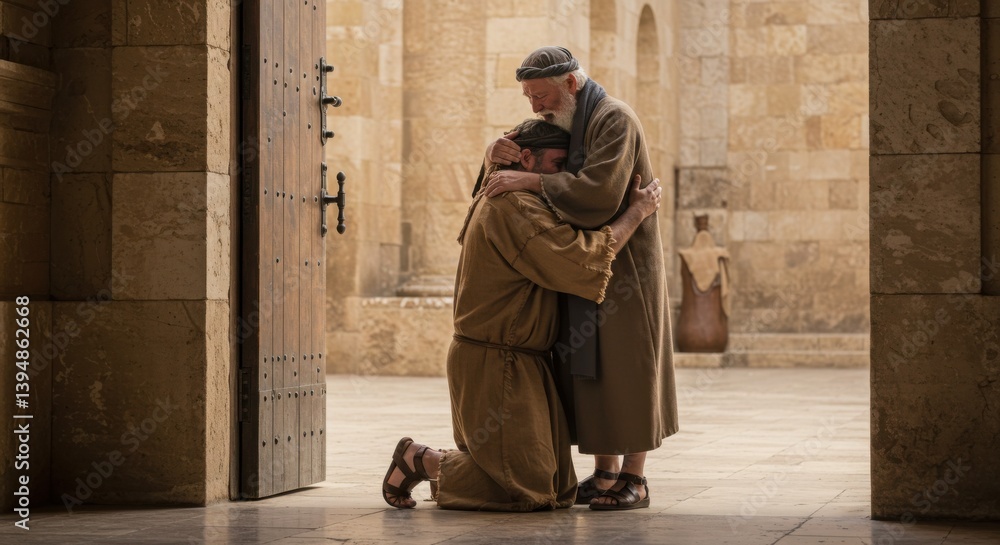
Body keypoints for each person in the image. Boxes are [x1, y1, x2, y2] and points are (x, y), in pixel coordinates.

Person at [381, 119, 662, 511]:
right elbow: (582, 258)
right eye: (556, 164)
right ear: (526, 159)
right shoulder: (516, 206)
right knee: (524, 490)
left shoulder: (502, 187)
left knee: (557, 486)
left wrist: (492, 157)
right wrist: (637, 211)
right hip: (497, 363)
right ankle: (420, 458)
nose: (562, 177)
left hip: (518, 361)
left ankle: (445, 463)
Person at [476, 46, 678, 510]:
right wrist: (493, 150)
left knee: (628, 367)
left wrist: (534, 183)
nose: (534, 107)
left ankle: (636, 477)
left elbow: (601, 195)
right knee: (593, 370)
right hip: (578, 262)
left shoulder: (615, 119)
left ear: (570, 85)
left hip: (625, 267)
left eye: (540, 95)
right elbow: (517, 160)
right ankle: (604, 474)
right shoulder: (565, 117)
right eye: (528, 97)